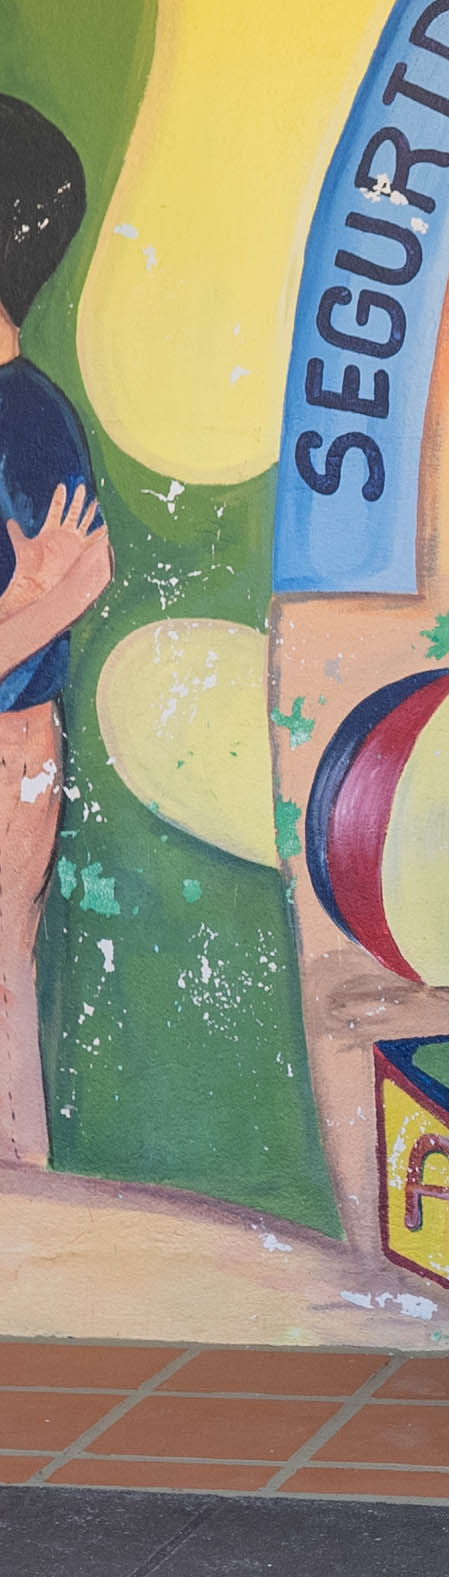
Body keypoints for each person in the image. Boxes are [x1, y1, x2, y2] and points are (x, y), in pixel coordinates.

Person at [0, 92, 111, 1169]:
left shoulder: (24, 411)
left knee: (2, 968)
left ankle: (21, 1187)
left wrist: (28, 605)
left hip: (9, 744)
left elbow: (85, 570)